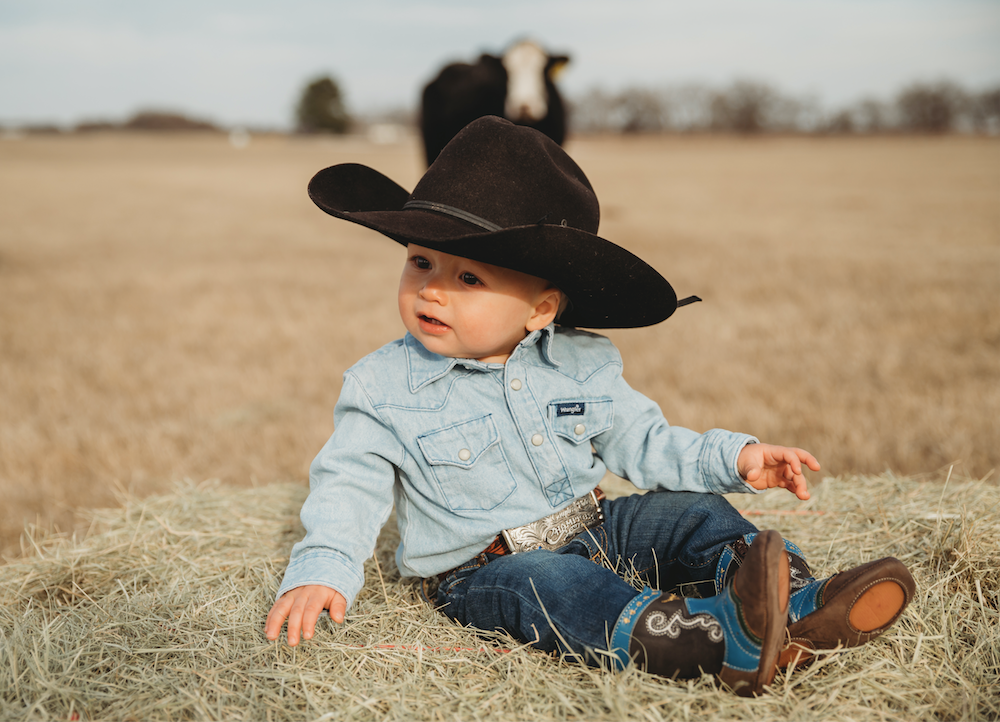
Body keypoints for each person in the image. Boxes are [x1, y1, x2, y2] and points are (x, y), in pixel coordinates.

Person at [265, 116, 915, 696]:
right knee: (558, 589)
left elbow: (645, 441)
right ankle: (717, 639)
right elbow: (347, 484)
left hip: (596, 524)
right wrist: (320, 570)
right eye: (419, 262)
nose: (432, 291)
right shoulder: (381, 387)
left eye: (467, 278)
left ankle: (792, 603)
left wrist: (737, 457)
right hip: (486, 568)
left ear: (540, 309)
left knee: (693, 512)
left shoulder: (580, 362)